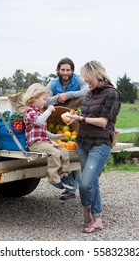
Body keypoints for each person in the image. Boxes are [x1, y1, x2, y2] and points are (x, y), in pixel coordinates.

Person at [65, 60, 121, 233]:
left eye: (88, 79)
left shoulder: (112, 94)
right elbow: (86, 114)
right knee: (92, 181)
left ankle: (86, 209)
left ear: (97, 74)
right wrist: (74, 116)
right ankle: (97, 219)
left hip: (100, 143)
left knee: (85, 182)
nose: (86, 82)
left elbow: (103, 122)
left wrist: (80, 119)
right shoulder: (89, 94)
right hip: (82, 142)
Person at [46, 57, 89, 200]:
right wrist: (59, 97)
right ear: (58, 70)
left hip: (75, 118)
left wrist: (68, 95)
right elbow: (44, 99)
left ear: (72, 71)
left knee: (75, 154)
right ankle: (71, 187)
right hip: (58, 120)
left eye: (68, 70)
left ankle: (75, 188)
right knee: (65, 153)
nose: (65, 72)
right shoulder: (52, 83)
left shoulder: (79, 80)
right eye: (62, 70)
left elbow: (86, 92)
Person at [22, 83, 74, 190]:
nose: (46, 102)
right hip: (36, 144)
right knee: (55, 153)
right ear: (35, 98)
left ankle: (63, 175)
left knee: (64, 151)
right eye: (44, 99)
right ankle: (53, 179)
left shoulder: (39, 112)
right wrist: (49, 111)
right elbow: (39, 122)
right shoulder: (29, 111)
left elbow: (43, 131)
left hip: (45, 141)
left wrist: (56, 137)